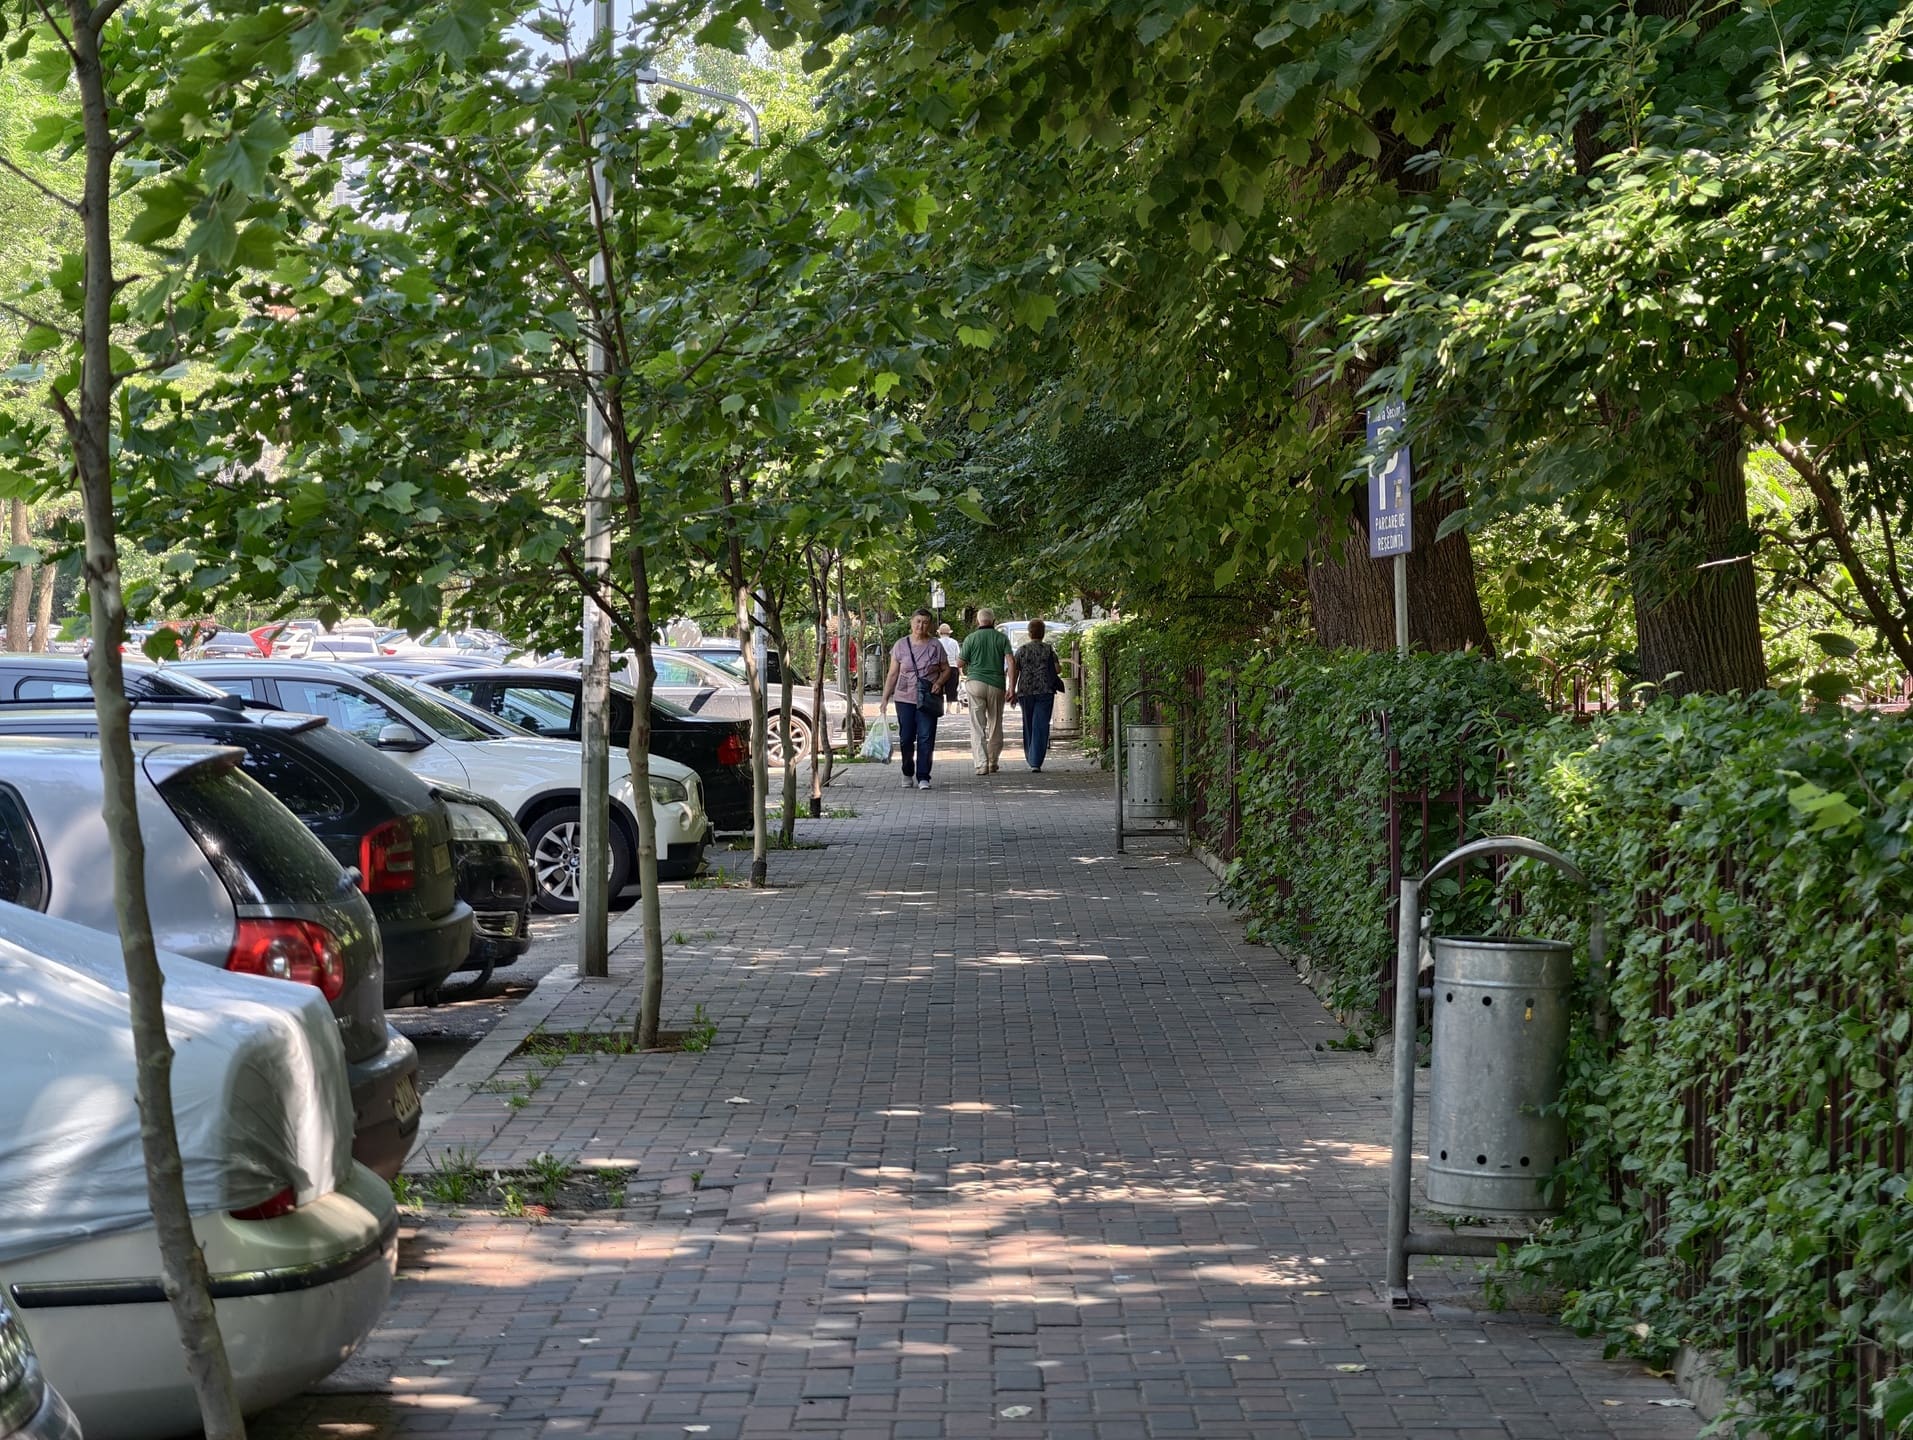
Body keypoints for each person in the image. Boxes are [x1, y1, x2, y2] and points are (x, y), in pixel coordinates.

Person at [881, 608, 950, 790]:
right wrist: (885, 698)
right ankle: (907, 771)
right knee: (906, 737)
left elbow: (946, 669)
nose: (921, 625)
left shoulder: (935, 645)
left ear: (930, 625)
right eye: (918, 621)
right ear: (911, 622)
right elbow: (892, 674)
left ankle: (923, 776)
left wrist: (939, 682)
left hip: (927, 697)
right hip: (904, 698)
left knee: (926, 737)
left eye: (925, 622)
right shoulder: (901, 645)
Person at [957, 608, 1013, 775]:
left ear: (978, 621)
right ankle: (993, 761)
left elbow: (960, 663)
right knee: (995, 724)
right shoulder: (1001, 638)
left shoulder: (971, 638)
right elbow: (1011, 661)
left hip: (975, 683)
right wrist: (1011, 686)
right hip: (996, 685)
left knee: (977, 725)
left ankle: (982, 764)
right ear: (993, 621)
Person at [1006, 619, 1063, 773]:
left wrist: (1012, 690)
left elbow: (1015, 671)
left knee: (1028, 723)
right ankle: (1035, 761)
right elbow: (1057, 669)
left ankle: (1030, 756)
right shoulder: (1048, 649)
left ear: (1029, 633)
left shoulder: (1022, 650)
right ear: (1043, 633)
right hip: (1045, 690)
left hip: (1026, 691)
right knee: (1041, 724)